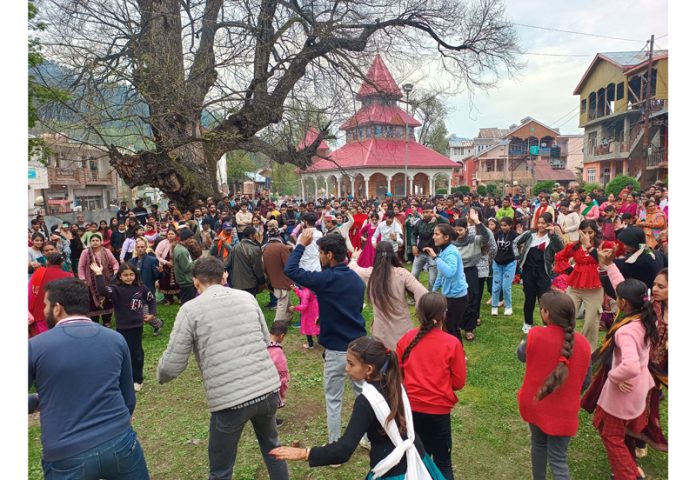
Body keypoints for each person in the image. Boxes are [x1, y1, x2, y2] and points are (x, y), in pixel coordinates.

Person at [157, 256, 289, 480]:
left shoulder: (190, 310)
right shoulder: (247, 298)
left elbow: (171, 365)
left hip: (230, 399)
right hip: (267, 388)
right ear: (224, 276)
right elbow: (265, 338)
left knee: (221, 469)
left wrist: (160, 375)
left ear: (196, 282)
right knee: (272, 447)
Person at [270, 336, 443, 479]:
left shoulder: (366, 401)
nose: (346, 369)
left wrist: (304, 453)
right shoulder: (395, 383)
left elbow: (344, 450)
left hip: (392, 471)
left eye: (351, 364)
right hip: (418, 458)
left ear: (368, 369)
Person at [29, 278, 149, 479]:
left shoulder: (35, 347)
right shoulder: (116, 339)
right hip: (120, 441)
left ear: (57, 308)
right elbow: (128, 398)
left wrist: (37, 401)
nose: (44, 310)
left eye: (46, 305)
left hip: (65, 453)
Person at [284, 230, 367, 444]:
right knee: (363, 396)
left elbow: (291, 269)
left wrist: (301, 244)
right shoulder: (357, 281)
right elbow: (353, 309)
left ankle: (335, 446)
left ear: (329, 255)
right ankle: (367, 438)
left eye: (321, 252)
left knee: (333, 399)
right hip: (358, 347)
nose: (320, 256)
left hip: (336, 350)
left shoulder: (324, 279)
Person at [582, 279, 657, 480]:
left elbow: (630, 365)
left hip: (624, 391)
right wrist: (608, 266)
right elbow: (621, 284)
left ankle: (629, 475)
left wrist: (614, 377)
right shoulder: (646, 318)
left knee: (611, 435)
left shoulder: (626, 330)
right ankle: (628, 468)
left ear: (623, 303)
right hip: (639, 387)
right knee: (622, 433)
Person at [599, 251, 668, 457]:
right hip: (639, 369)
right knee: (632, 406)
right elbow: (624, 289)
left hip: (658, 371)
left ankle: (637, 441)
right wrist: (609, 265)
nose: (654, 289)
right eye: (654, 284)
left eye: (661, 287)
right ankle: (629, 443)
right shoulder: (647, 306)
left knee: (648, 408)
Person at [517, 291, 591, 480]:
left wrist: (523, 344)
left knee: (538, 445)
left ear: (546, 314)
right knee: (558, 459)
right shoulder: (583, 343)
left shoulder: (535, 335)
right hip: (565, 411)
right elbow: (586, 381)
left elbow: (521, 355)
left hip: (536, 402)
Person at [397, 293, 467, 479]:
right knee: (443, 462)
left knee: (416, 461)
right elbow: (459, 383)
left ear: (418, 313)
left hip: (411, 412)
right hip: (439, 414)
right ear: (444, 314)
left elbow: (397, 375)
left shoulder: (406, 339)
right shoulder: (452, 343)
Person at [349, 241, 428, 350]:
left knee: (384, 360)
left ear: (376, 255)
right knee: (403, 357)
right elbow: (423, 292)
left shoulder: (370, 274)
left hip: (381, 330)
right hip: (403, 327)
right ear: (393, 255)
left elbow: (353, 268)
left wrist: (354, 258)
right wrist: (420, 313)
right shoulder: (401, 273)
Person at [92, 261, 156, 392]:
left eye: (131, 275)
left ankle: (137, 379)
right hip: (122, 328)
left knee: (137, 353)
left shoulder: (141, 288)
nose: (128, 278)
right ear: (120, 276)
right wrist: (98, 274)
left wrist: (152, 314)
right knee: (123, 353)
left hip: (137, 326)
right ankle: (124, 379)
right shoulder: (115, 289)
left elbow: (151, 299)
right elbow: (102, 290)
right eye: (125, 275)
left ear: (135, 275)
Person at [553, 220, 613, 348]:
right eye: (584, 232)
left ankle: (588, 350)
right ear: (580, 231)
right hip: (575, 286)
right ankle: (564, 344)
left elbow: (604, 261)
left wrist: (589, 246)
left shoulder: (602, 245)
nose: (587, 235)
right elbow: (559, 257)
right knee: (566, 315)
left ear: (595, 232)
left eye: (590, 232)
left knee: (591, 321)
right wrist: (569, 269)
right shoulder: (574, 246)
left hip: (594, 287)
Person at [513, 212, 564, 334]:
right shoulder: (530, 234)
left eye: (543, 223)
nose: (540, 225)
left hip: (543, 272)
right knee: (529, 298)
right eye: (539, 222)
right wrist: (518, 257)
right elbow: (515, 242)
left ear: (549, 224)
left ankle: (546, 324)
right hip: (528, 271)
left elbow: (561, 250)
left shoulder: (551, 238)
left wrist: (553, 235)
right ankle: (527, 323)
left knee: (544, 299)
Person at [423, 223, 468, 342]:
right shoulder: (444, 251)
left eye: (437, 234)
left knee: (452, 328)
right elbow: (441, 274)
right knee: (447, 327)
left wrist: (435, 257)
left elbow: (449, 272)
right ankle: (452, 353)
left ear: (446, 237)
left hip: (457, 298)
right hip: (448, 296)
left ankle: (460, 354)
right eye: (434, 234)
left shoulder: (451, 252)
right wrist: (433, 291)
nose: (433, 237)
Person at [452, 208, 491, 340]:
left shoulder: (474, 239)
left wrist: (478, 222)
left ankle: (469, 328)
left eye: (460, 230)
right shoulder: (451, 242)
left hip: (471, 271)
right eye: (456, 230)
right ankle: (456, 325)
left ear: (466, 229)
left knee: (472, 298)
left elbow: (487, 238)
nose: (458, 233)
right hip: (456, 273)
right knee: (457, 299)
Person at [77, 232, 120, 328]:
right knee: (92, 304)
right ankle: (94, 322)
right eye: (93, 241)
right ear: (90, 242)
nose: (95, 242)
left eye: (97, 240)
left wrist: (116, 271)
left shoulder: (106, 251)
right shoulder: (85, 252)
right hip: (90, 283)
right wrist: (83, 279)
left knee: (107, 302)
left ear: (101, 242)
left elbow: (115, 262)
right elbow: (81, 267)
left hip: (106, 281)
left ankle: (106, 321)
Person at [28, 252, 74, 337]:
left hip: (40, 314)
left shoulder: (39, 273)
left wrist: (29, 311)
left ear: (47, 262)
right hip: (63, 315)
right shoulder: (69, 276)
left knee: (43, 342)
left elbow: (30, 293)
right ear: (62, 263)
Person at [263, 223, 294, 322]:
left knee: (286, 300)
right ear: (279, 236)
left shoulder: (266, 248)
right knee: (282, 303)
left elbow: (264, 267)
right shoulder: (282, 247)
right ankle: (278, 324)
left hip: (273, 278)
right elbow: (289, 265)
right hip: (283, 279)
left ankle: (288, 318)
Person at [490, 216, 517, 316]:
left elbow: (518, 247)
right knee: (496, 286)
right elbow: (493, 247)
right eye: (501, 225)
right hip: (497, 263)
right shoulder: (497, 234)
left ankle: (508, 306)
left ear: (510, 225)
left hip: (509, 263)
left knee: (506, 287)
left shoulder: (514, 235)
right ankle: (494, 306)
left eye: (505, 225)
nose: (503, 227)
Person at [267, 320, 290, 427]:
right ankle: (271, 422)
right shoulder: (277, 351)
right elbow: (282, 372)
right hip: (272, 382)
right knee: (271, 403)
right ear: (282, 335)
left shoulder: (261, 344)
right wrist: (284, 384)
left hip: (259, 379)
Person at [230, 226, 265, 296]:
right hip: (250, 284)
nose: (256, 236)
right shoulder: (254, 248)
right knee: (250, 304)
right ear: (251, 235)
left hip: (236, 283)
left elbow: (229, 264)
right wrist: (262, 281)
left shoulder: (235, 247)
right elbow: (257, 268)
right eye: (255, 234)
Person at [155, 228, 181, 305]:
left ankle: (180, 298)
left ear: (175, 235)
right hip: (165, 266)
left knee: (177, 282)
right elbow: (157, 255)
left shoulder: (178, 243)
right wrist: (166, 262)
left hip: (176, 266)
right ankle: (169, 299)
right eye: (169, 234)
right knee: (165, 283)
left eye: (172, 234)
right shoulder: (162, 243)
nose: (170, 235)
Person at [291, 284, 320, 349]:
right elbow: (303, 295)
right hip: (314, 309)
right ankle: (322, 342)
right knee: (316, 325)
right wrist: (296, 290)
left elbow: (304, 306)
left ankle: (310, 344)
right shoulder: (310, 288)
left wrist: (295, 308)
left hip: (308, 312)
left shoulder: (306, 291)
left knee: (308, 327)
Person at [173, 228, 196, 305]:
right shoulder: (182, 251)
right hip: (186, 281)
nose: (192, 240)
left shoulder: (179, 248)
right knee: (187, 303)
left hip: (184, 280)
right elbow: (186, 268)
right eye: (190, 238)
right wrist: (197, 261)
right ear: (185, 239)